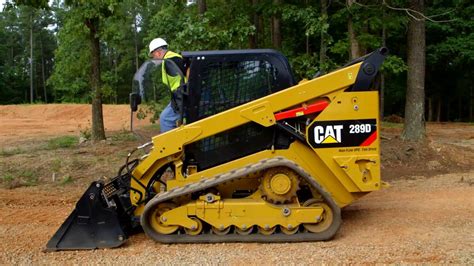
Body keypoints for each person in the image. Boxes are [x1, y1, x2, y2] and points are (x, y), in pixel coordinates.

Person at [149, 37, 187, 133]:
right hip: (181, 95)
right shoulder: (174, 57)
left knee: (165, 119)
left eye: (153, 55)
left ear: (158, 52)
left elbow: (186, 74)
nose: (153, 58)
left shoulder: (170, 61)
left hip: (183, 96)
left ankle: (171, 146)